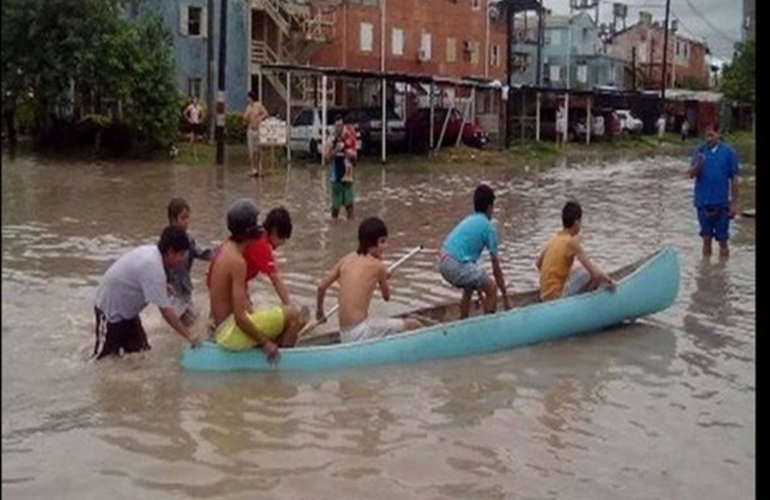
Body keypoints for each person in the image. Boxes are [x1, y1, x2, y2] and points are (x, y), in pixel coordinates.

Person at [207, 199, 308, 362]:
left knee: (265, 314)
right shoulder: (238, 262)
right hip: (229, 333)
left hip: (222, 328)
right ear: (248, 231)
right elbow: (240, 318)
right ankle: (282, 361)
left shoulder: (226, 248)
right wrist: (266, 342)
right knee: (296, 316)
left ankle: (274, 343)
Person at [92, 226, 201, 360]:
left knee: (140, 354)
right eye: (181, 255)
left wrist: (161, 286)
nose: (182, 261)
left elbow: (139, 276)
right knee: (103, 360)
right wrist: (189, 335)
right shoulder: (153, 267)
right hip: (110, 311)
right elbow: (166, 312)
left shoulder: (154, 255)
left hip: (128, 313)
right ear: (170, 251)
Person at [315, 216, 424, 343]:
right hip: (359, 332)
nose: (385, 246)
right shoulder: (378, 266)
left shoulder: (346, 259)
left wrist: (320, 313)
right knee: (413, 324)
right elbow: (386, 297)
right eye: (382, 242)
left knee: (377, 321)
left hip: (344, 334)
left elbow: (321, 287)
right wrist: (383, 277)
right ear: (372, 243)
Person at [438, 184, 511, 320]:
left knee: (469, 286)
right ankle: (488, 328)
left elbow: (472, 271)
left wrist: (481, 295)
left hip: (443, 261)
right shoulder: (488, 228)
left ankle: (463, 320)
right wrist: (506, 299)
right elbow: (496, 269)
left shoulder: (469, 220)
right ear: (490, 207)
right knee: (492, 288)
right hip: (455, 264)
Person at [207, 206, 295, 306]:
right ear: (274, 231)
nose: (282, 243)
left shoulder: (257, 237)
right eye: (282, 238)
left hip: (217, 275)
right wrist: (289, 306)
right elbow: (275, 279)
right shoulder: (261, 244)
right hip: (223, 281)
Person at [536, 200, 616, 302]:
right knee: (589, 272)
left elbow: (538, 264)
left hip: (544, 295)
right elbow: (594, 273)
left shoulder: (554, 238)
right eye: (580, 222)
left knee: (576, 266)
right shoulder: (571, 242)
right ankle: (588, 301)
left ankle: (582, 297)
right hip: (556, 298)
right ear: (576, 222)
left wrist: (558, 275)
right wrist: (610, 281)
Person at [687, 123, 740, 258]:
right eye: (706, 136)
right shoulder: (699, 150)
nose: (708, 139)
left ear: (718, 134)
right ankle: (706, 273)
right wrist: (698, 163)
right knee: (706, 240)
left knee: (723, 241)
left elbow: (734, 180)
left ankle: (722, 273)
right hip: (702, 202)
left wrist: (734, 204)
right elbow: (691, 174)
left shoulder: (729, 153)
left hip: (722, 204)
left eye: (711, 135)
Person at [166, 198, 212, 326]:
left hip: (185, 290)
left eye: (188, 218)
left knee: (193, 321)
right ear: (173, 220)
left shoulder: (189, 239)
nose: (187, 222)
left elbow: (201, 253)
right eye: (183, 218)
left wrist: (220, 255)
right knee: (189, 323)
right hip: (171, 294)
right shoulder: (165, 242)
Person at [323, 116, 355, 220]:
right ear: (334, 127)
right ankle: (334, 227)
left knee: (349, 206)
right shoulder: (330, 140)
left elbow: (355, 157)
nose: (339, 128)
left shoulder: (349, 139)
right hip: (335, 177)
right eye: (337, 126)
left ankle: (350, 227)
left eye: (341, 125)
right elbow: (326, 158)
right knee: (335, 208)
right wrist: (335, 149)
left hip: (348, 177)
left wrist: (345, 148)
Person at [243, 91, 269, 177]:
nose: (247, 99)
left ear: (251, 98)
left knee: (258, 150)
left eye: (248, 98)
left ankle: (260, 168)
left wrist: (260, 118)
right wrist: (247, 115)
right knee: (251, 151)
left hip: (258, 130)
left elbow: (266, 114)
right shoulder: (248, 107)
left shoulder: (258, 105)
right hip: (250, 130)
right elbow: (245, 118)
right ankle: (253, 169)